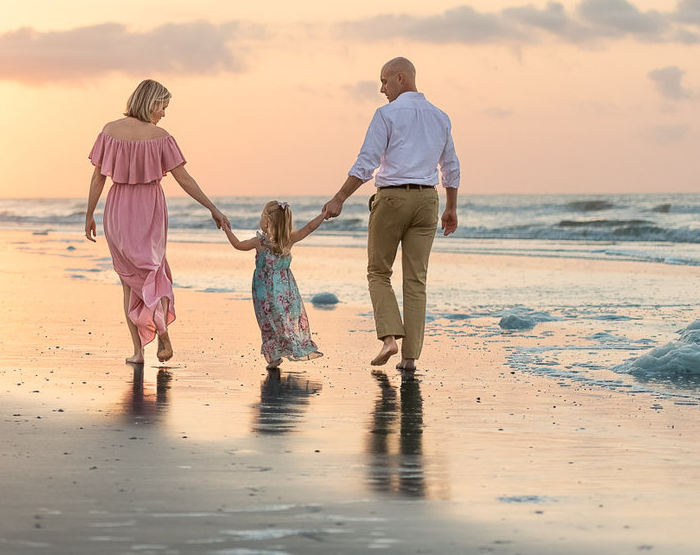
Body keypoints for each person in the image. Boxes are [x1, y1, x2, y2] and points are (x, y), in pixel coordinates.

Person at [322, 57, 460, 373]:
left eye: (384, 82)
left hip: (393, 199)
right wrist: (451, 207)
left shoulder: (386, 114)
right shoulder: (440, 117)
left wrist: (339, 197)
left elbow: (366, 162)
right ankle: (410, 358)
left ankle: (389, 338)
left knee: (378, 271)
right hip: (428, 201)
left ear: (401, 78)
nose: (382, 90)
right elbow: (450, 167)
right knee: (416, 281)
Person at [86, 79, 228, 365]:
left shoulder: (109, 131)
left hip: (117, 209)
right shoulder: (161, 137)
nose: (164, 113)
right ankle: (162, 332)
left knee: (129, 282)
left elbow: (98, 177)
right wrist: (212, 208)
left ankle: (139, 352)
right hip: (149, 207)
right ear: (152, 103)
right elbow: (184, 179)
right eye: (164, 106)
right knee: (154, 272)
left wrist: (89, 214)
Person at [222, 200, 325, 368]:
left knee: (269, 322)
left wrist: (227, 230)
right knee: (280, 320)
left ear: (268, 222)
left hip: (267, 293)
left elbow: (238, 245)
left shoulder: (260, 243)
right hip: (284, 291)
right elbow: (309, 228)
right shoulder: (287, 240)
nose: (260, 221)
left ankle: (281, 352)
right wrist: (323, 215)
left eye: (262, 217)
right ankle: (280, 353)